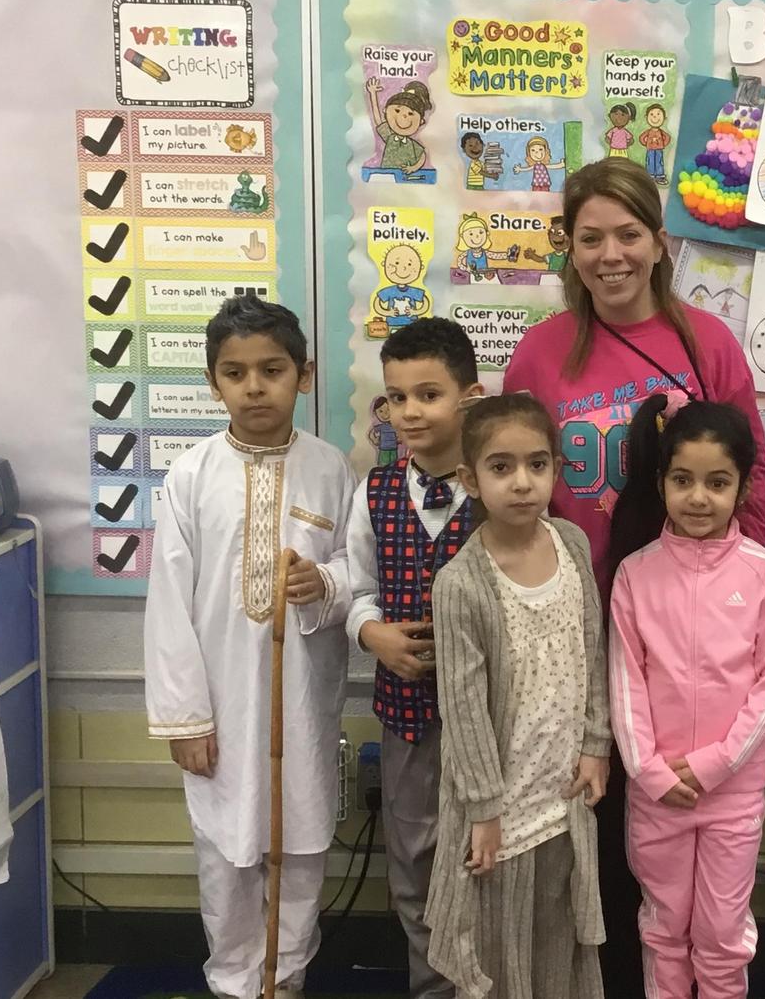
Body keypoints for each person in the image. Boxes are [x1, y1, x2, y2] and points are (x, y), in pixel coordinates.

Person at [502, 157, 765, 992]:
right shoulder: (543, 353)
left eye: (628, 234)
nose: (610, 254)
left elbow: (748, 479)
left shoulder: (707, 343)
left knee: (678, 802)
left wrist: (747, 588)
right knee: (599, 809)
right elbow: (518, 490)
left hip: (685, 624)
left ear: (660, 242)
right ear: (569, 250)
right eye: (590, 239)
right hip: (578, 618)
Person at [144, 296, 356, 999]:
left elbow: (362, 576)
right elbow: (169, 606)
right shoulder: (190, 476)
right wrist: (185, 719)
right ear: (213, 382)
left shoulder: (332, 471)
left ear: (305, 374)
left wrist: (321, 581)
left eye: (272, 369)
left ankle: (284, 979)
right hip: (221, 713)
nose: (255, 386)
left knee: (300, 847)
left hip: (301, 704)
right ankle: (234, 982)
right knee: (226, 856)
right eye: (235, 373)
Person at [605, 390, 765, 999]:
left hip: (731, 798)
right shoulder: (635, 574)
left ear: (742, 488)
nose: (698, 497)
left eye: (717, 482)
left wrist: (714, 764)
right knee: (663, 928)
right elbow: (625, 681)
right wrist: (650, 772)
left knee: (721, 932)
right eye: (682, 479)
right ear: (660, 482)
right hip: (656, 794)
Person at [423, 393, 611, 998]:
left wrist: (595, 743)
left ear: (557, 468)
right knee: (499, 945)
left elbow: (593, 649)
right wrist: (482, 810)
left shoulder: (572, 545)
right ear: (469, 480)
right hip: (500, 807)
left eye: (537, 465)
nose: (522, 483)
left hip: (563, 791)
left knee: (558, 937)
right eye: (501, 468)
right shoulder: (460, 584)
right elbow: (463, 708)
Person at [346, 318, 484, 999]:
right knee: (415, 868)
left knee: (487, 866)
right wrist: (372, 633)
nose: (409, 411)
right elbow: (358, 586)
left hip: (490, 725)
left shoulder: (501, 494)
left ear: (469, 397)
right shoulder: (373, 493)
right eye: (396, 397)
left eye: (427, 394)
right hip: (406, 722)